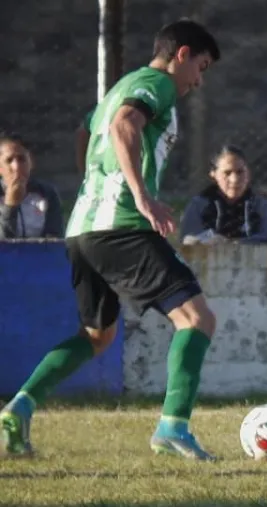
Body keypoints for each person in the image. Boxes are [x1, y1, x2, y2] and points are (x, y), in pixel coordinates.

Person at [0, 19, 222, 460]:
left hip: (84, 229)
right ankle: (173, 427)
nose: (199, 80)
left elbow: (88, 128)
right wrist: (140, 197)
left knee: (97, 335)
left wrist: (95, 184)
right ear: (180, 55)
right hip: (120, 226)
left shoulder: (122, 86)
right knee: (196, 320)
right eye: (201, 66)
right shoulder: (157, 83)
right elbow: (124, 125)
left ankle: (17, 409)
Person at [179, 145, 267, 245]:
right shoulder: (199, 204)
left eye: (240, 172)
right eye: (227, 173)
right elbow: (188, 239)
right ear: (214, 174)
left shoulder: (260, 205)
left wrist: (235, 244)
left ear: (248, 174)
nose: (234, 179)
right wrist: (208, 241)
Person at [0, 133, 64, 239]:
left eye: (22, 159)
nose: (16, 167)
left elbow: (54, 239)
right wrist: (10, 207)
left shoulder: (46, 193)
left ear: (31, 162)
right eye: (9, 160)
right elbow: (3, 244)